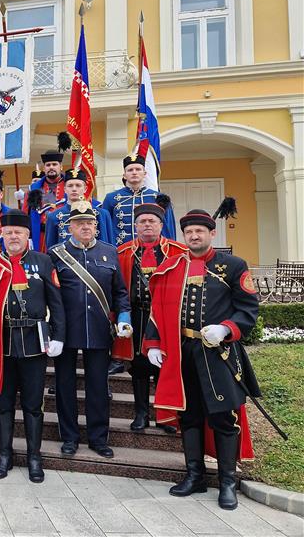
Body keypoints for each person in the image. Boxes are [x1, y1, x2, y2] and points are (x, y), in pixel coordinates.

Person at [144, 202, 260, 510]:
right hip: (182, 353)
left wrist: (226, 329)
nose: (194, 236)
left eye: (199, 231)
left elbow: (248, 309)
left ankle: (227, 483)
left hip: (219, 353)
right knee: (190, 415)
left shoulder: (233, 265)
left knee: (223, 417)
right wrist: (153, 343)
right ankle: (194, 476)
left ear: (211, 233)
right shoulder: (172, 265)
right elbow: (158, 308)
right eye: (189, 232)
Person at [0, 210, 66, 482]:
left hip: (33, 343)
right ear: (2, 236)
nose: (13, 237)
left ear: (28, 235)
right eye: (8, 233)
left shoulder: (43, 262)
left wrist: (59, 336)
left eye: (18, 232)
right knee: (3, 405)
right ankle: (4, 455)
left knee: (33, 405)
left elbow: (56, 302)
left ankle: (34, 457)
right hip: (1, 344)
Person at [48, 200, 131, 458]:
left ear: (96, 226)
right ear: (69, 227)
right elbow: (51, 295)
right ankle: (70, 437)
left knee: (97, 386)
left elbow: (120, 292)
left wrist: (124, 318)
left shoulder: (109, 252)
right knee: (65, 386)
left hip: (98, 329)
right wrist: (53, 332)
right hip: (66, 331)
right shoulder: (55, 253)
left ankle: (98, 438)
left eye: (89, 222)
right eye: (79, 223)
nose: (85, 227)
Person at [113, 195, 186, 432]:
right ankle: (141, 413)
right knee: (139, 368)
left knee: (165, 365)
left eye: (152, 221)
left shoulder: (178, 251)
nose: (147, 225)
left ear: (161, 225)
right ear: (135, 225)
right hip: (138, 316)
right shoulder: (122, 252)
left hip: (167, 319)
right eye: (142, 221)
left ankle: (165, 414)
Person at [102, 153, 176, 246]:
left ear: (144, 173)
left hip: (153, 252)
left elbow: (168, 228)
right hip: (120, 251)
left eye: (138, 169)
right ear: (124, 175)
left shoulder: (159, 198)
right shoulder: (111, 198)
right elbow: (105, 227)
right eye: (130, 170)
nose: (134, 172)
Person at [45, 169, 114, 249]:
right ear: (65, 189)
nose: (74, 189)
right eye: (70, 186)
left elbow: (110, 246)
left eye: (78, 185)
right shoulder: (53, 216)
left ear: (85, 188)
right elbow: (51, 249)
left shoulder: (102, 214)